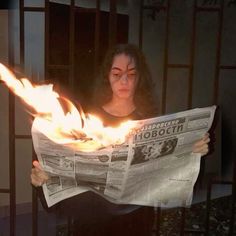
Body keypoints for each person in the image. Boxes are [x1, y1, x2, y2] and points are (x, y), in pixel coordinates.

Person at [31, 44, 210, 235]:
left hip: (135, 224)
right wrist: (41, 180)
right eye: (117, 73)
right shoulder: (87, 121)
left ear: (139, 78)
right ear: (107, 77)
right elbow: (64, 172)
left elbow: (172, 178)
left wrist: (195, 152)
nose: (124, 80)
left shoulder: (150, 122)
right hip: (91, 224)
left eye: (131, 74)